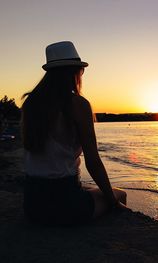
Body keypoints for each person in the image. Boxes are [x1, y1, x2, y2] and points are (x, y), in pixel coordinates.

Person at [21, 41, 128, 225]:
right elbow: (93, 162)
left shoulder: (31, 103)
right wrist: (112, 201)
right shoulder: (77, 104)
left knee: (90, 190)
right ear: (75, 71)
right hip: (65, 204)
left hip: (32, 203)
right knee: (119, 194)